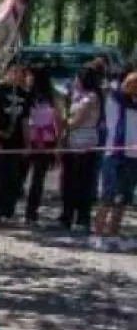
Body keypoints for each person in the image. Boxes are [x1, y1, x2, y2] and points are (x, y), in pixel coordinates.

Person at [93, 70, 137, 250]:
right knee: (107, 197)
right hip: (115, 154)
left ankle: (113, 235)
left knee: (123, 199)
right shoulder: (115, 99)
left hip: (133, 157)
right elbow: (111, 89)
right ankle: (98, 235)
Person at [0, 63, 31, 226]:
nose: (17, 75)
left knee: (14, 178)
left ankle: (6, 210)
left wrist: (27, 143)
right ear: (8, 72)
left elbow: (25, 121)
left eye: (20, 72)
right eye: (14, 71)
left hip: (16, 140)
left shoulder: (25, 95)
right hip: (0, 138)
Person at [58, 66, 103, 233]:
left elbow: (76, 121)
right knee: (68, 181)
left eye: (77, 78)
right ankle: (67, 215)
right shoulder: (76, 97)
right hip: (72, 143)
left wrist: (63, 120)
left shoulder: (91, 98)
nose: (74, 81)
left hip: (85, 143)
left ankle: (82, 217)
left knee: (82, 182)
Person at [23, 66, 59, 225]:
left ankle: (30, 211)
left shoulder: (28, 97)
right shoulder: (52, 97)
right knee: (37, 178)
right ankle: (31, 212)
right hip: (45, 139)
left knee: (33, 177)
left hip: (34, 139)